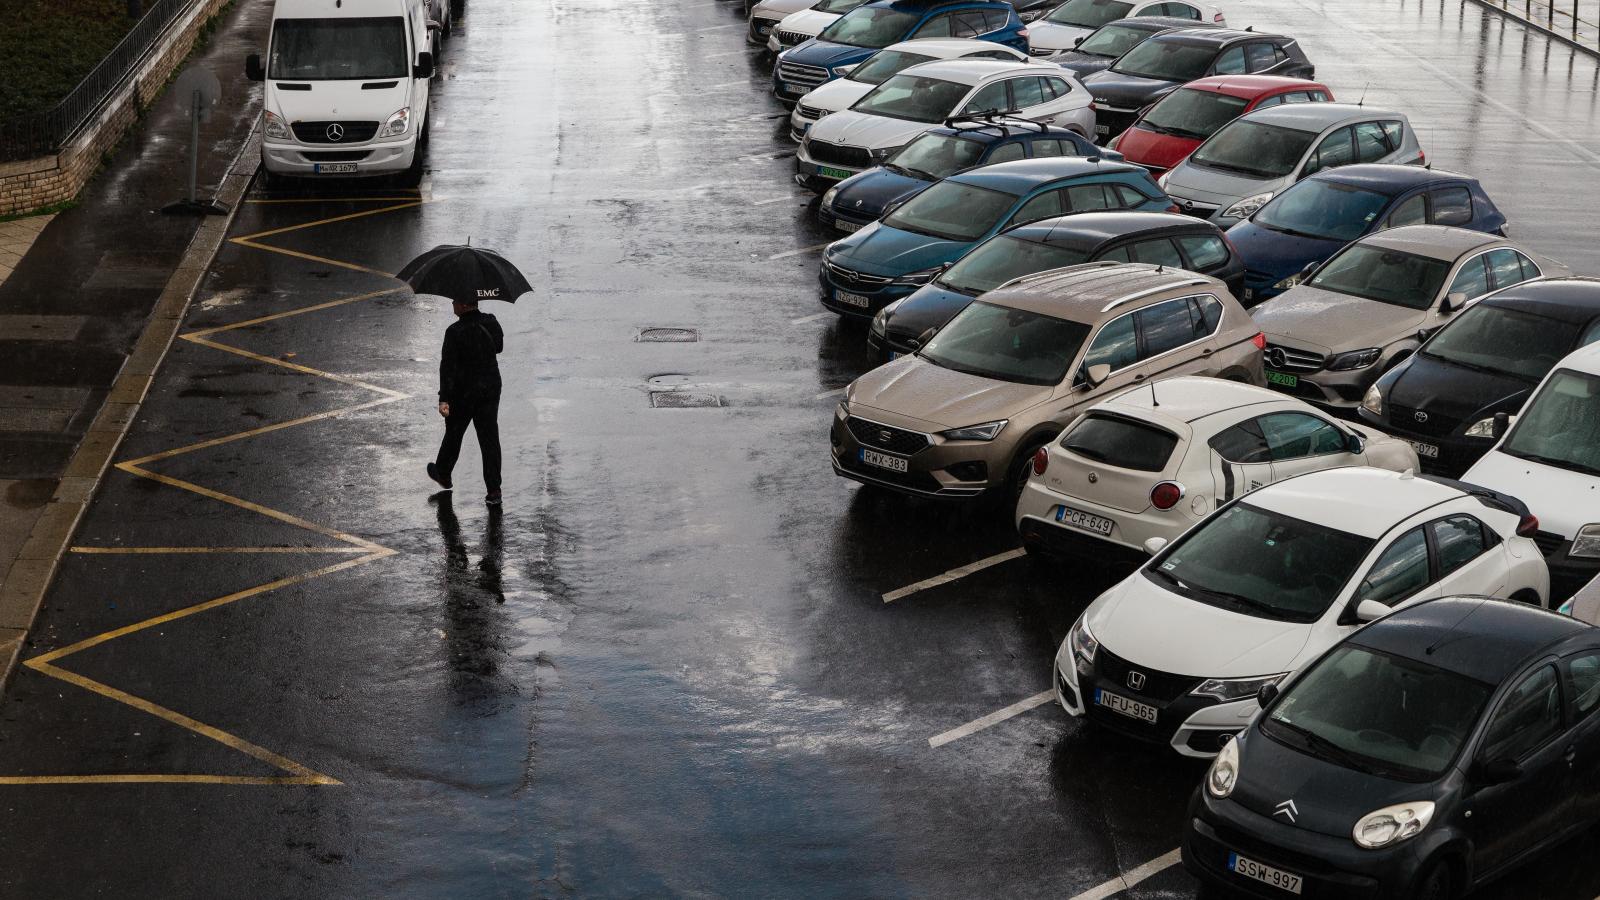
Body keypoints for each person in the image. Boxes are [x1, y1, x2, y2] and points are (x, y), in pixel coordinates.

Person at [426, 298, 504, 505]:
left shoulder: (454, 331)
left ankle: (443, 472)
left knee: (454, 432)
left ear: (463, 305)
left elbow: (447, 367)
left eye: (455, 300)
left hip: (464, 391)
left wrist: (444, 398)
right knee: (489, 438)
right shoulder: (491, 322)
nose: (452, 303)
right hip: (489, 387)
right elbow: (499, 347)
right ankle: (494, 490)